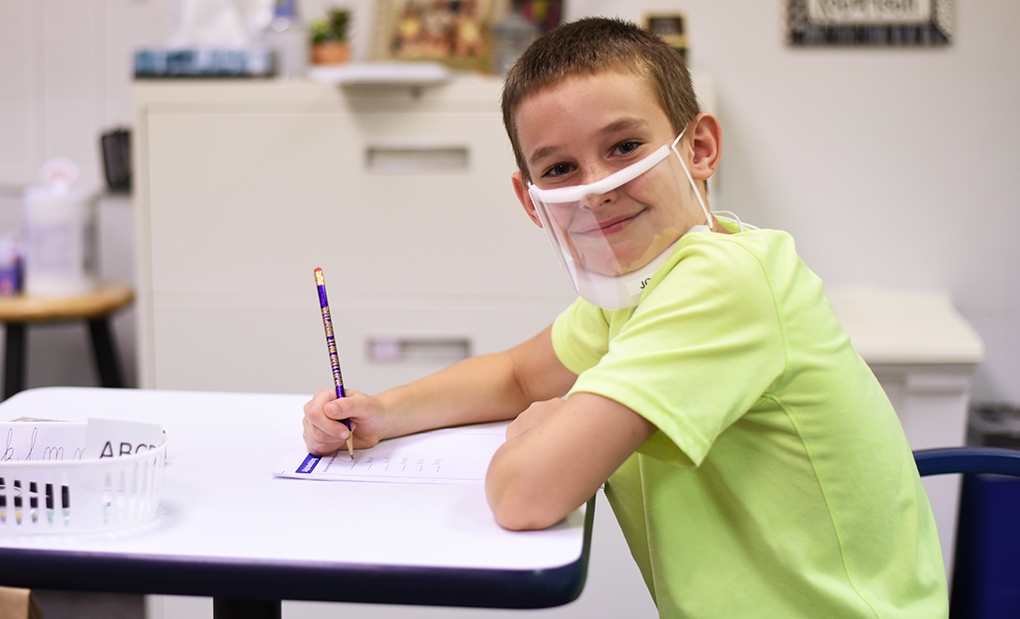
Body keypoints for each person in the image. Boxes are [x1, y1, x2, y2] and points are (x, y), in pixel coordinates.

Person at [302, 17, 946, 618]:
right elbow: (519, 377)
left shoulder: (722, 283)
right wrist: (382, 412)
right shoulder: (634, 290)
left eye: (624, 146)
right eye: (560, 168)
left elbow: (527, 495)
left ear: (698, 147)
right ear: (532, 200)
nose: (597, 187)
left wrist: (548, 423)